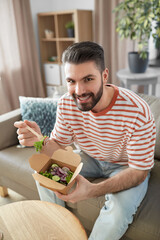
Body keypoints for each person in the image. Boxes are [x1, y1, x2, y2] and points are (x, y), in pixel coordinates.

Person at [14, 41, 156, 240]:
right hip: (90, 157)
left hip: (127, 167)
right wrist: (39, 139)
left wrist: (93, 190)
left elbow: (139, 171)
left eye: (88, 79)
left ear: (104, 76)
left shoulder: (137, 111)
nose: (79, 90)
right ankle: (58, 231)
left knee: (117, 215)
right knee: (45, 174)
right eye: (71, 81)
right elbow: (58, 147)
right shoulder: (66, 103)